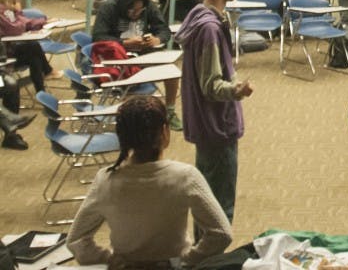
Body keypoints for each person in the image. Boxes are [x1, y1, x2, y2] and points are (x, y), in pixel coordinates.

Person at [66, 95, 232, 266]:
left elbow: (76, 240)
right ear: (164, 131)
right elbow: (221, 234)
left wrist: (109, 259)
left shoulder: (105, 180)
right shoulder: (186, 176)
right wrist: (186, 260)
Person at [176, 0, 253, 223]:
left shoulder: (201, 18)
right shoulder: (209, 29)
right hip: (216, 126)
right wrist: (237, 90)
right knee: (219, 210)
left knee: (208, 201)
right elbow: (210, 85)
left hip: (208, 126)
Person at [0, 0, 59, 100]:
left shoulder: (9, 9)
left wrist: (44, 21)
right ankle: (48, 72)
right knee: (32, 47)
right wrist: (19, 14)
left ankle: (41, 93)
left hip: (10, 51)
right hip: (4, 58)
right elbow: (14, 29)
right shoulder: (2, 11)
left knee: (33, 55)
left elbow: (24, 22)